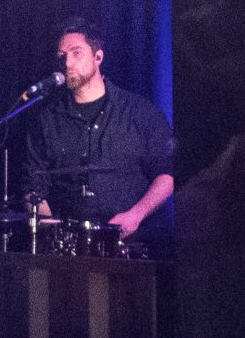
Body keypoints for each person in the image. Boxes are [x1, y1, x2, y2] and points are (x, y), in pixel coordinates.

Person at [21, 17, 175, 238]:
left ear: (98, 57)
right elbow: (33, 184)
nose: (67, 63)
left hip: (130, 241)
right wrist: (49, 227)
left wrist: (135, 215)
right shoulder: (47, 119)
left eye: (76, 53)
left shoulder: (140, 113)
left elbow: (167, 174)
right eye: (62, 56)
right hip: (66, 244)